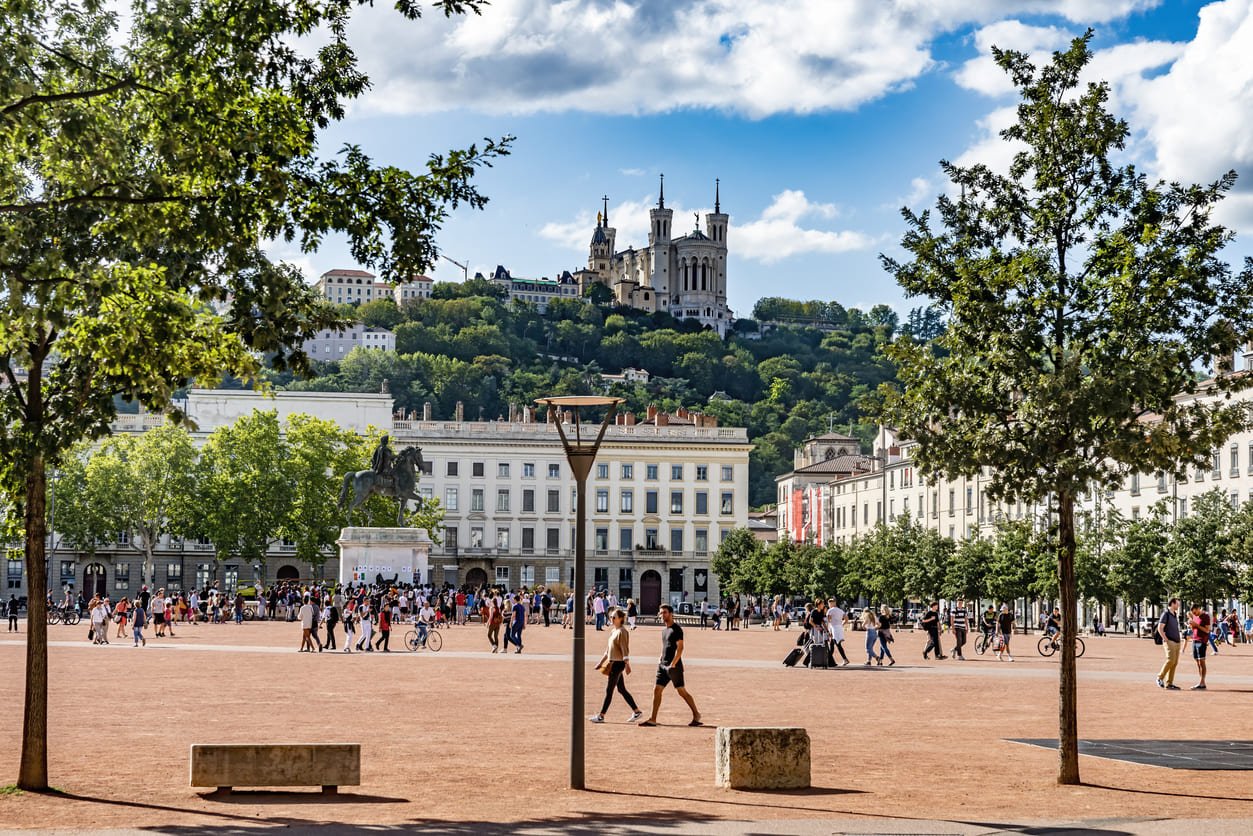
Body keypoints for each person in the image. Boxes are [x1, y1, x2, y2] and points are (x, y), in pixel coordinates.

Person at [637, 604, 702, 726]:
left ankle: (696, 715)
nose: (662, 615)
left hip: (674, 667)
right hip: (662, 666)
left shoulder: (677, 629)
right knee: (657, 690)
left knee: (681, 691)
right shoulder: (664, 631)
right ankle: (653, 719)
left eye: (665, 612)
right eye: (661, 613)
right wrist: (660, 658)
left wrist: (673, 663)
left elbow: (680, 648)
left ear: (671, 614)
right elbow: (666, 647)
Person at [589, 608, 643, 724]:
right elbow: (608, 650)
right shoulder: (614, 631)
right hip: (612, 662)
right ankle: (636, 711)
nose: (612, 619)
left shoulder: (622, 632)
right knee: (621, 689)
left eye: (614, 617)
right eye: (611, 617)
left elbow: (625, 649)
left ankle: (601, 715)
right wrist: (600, 662)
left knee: (609, 690)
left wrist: (627, 664)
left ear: (621, 619)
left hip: (618, 664)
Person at [1156, 597, 1182, 690]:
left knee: (1174, 663)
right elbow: (1160, 628)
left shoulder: (1174, 614)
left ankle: (1169, 683)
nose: (1178, 605)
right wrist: (1166, 639)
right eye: (1177, 604)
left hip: (1177, 642)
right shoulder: (1165, 614)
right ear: (1173, 603)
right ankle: (1160, 677)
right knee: (1170, 660)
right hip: (1170, 641)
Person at [1189, 603, 1211, 690]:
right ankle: (1201, 682)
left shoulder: (1205, 616)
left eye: (1195, 612)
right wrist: (1191, 625)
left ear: (1198, 609)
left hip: (1202, 641)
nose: (1195, 614)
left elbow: (1207, 630)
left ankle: (1202, 682)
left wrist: (1197, 625)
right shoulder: (1195, 617)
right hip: (1194, 640)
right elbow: (1194, 629)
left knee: (1202, 661)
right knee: (1197, 662)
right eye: (1193, 613)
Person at [826, 598, 850, 665]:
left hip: (833, 628)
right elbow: (846, 619)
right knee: (833, 645)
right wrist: (841, 624)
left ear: (831, 603)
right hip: (839, 628)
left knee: (837, 645)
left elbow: (829, 621)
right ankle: (829, 660)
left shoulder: (830, 610)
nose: (829, 605)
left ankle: (844, 659)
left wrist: (829, 630)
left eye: (829, 603)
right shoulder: (840, 610)